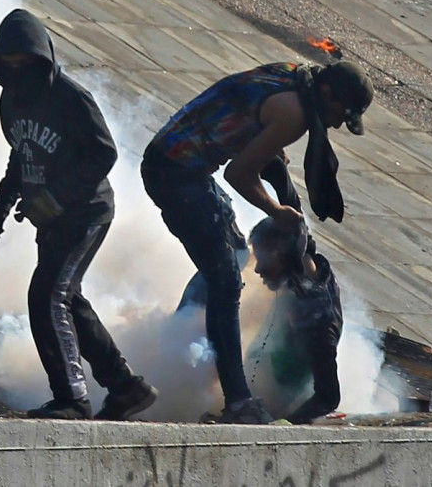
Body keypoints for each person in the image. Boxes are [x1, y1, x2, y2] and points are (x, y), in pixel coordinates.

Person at [141, 61, 373, 423]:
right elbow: (238, 172)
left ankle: (192, 351)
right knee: (225, 280)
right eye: (341, 114)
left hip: (180, 165)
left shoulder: (291, 77)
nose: (338, 124)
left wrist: (285, 193)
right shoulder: (294, 113)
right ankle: (237, 402)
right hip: (175, 173)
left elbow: (259, 149)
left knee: (231, 255)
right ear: (327, 93)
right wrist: (275, 210)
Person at [0, 9, 157, 420]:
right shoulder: (10, 100)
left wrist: (57, 197)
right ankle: (126, 388)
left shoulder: (71, 97)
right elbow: (21, 151)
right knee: (68, 300)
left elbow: (105, 152)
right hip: (50, 220)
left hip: (86, 214)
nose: (17, 73)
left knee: (46, 295)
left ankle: (72, 398)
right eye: (8, 66)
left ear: (41, 58)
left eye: (24, 64)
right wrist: (3, 202)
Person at [247, 217, 343, 424]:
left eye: (263, 258)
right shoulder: (300, 287)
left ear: (283, 255)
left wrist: (285, 423)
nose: (257, 269)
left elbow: (328, 397)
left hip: (288, 402)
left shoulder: (318, 320)